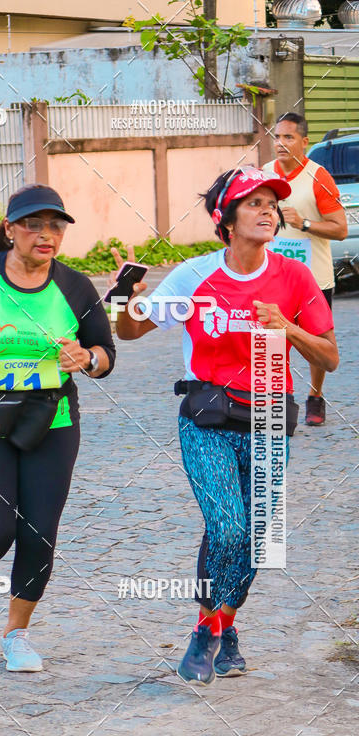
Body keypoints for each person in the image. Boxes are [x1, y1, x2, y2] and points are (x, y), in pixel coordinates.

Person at [114, 166, 338, 685]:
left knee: (258, 539)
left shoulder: (295, 277)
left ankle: (224, 627)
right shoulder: (195, 275)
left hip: (268, 415)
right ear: (226, 219)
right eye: (253, 203)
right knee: (227, 526)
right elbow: (131, 332)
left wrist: (288, 328)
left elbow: (330, 356)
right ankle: (206, 633)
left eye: (271, 203)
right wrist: (127, 296)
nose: (268, 211)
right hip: (207, 416)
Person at [0, 184, 115, 673]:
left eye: (55, 225)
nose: (46, 234)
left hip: (51, 421)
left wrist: (88, 358)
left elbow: (104, 353)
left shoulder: (75, 287)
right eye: (33, 224)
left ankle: (17, 634)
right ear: (10, 230)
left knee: (39, 532)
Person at [264, 112, 347, 425]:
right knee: (274, 337)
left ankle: (315, 394)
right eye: (277, 137)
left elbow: (340, 229)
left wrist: (306, 223)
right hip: (274, 275)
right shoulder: (264, 174)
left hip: (314, 277)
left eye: (289, 137)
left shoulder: (318, 176)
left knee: (317, 341)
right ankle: (281, 399)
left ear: (304, 142)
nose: (281, 143)